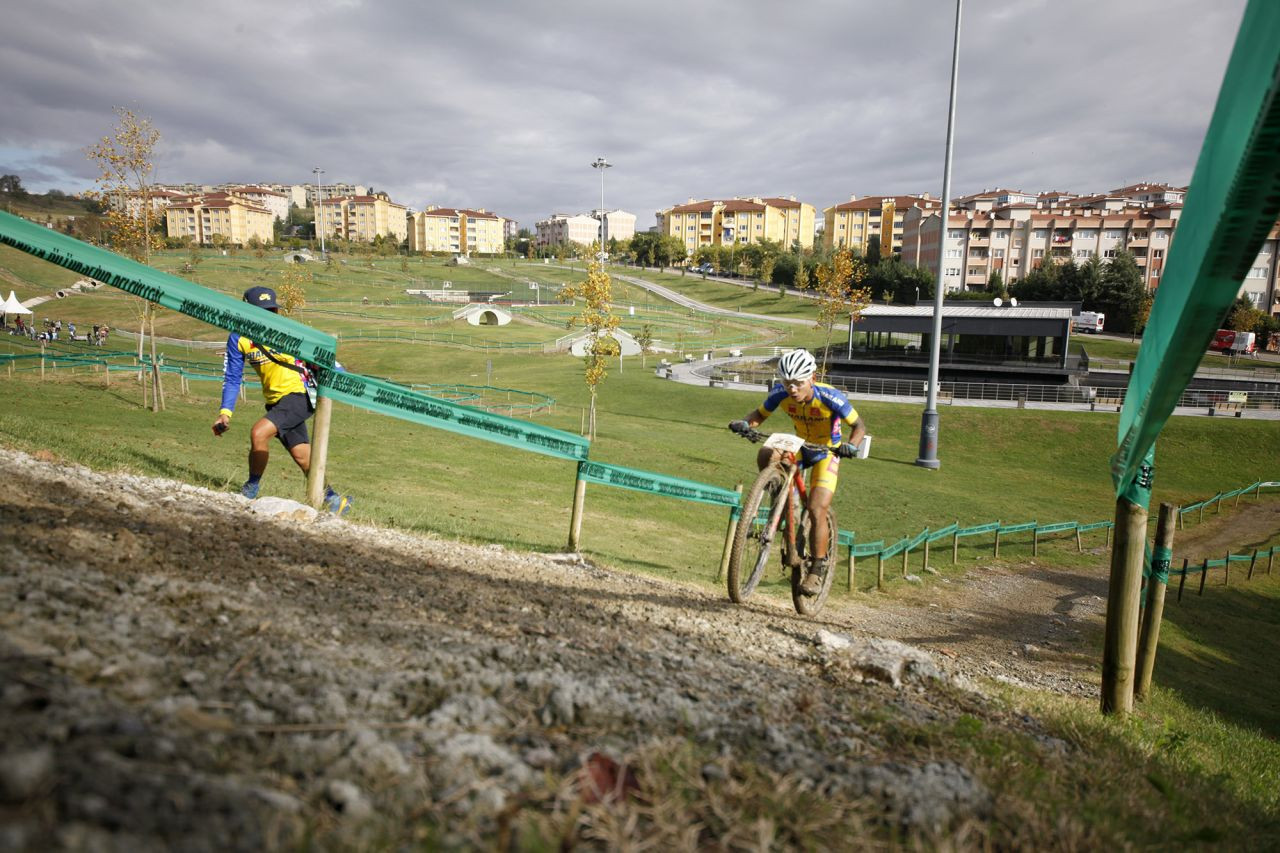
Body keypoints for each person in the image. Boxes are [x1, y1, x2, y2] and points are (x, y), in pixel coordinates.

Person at [728, 349, 866, 596]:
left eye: (798, 383)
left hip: (827, 451)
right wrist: (745, 424)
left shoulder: (830, 397)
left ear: (812, 378)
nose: (792, 389)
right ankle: (778, 500)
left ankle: (817, 568)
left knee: (816, 509)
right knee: (765, 452)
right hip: (800, 445)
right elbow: (759, 414)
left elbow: (858, 425)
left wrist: (852, 446)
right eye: (787, 383)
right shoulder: (780, 394)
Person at [213, 286, 351, 515]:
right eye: (262, 311)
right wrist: (225, 413)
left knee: (259, 432)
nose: (269, 315)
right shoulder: (239, 338)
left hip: (300, 396)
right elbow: (233, 377)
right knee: (302, 455)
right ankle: (335, 500)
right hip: (276, 401)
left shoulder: (290, 331)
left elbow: (324, 357)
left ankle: (249, 490)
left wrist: (343, 377)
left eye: (272, 309)